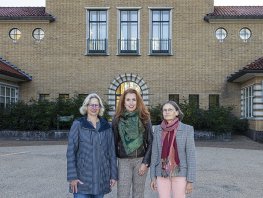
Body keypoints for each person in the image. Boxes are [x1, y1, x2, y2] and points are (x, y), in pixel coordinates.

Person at [66, 93, 118, 198]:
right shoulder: (78, 124)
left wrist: (113, 175)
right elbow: (71, 152)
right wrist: (72, 177)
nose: (94, 108)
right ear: (86, 107)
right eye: (91, 105)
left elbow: (111, 153)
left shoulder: (106, 126)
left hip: (101, 179)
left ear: (100, 107)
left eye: (96, 105)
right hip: (82, 180)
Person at [112, 88, 153, 198]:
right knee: (122, 193)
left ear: (138, 101)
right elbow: (113, 143)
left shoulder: (145, 118)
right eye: (128, 100)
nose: (131, 103)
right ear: (123, 102)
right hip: (123, 161)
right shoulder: (117, 119)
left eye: (134, 100)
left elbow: (151, 141)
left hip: (140, 160)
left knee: (138, 194)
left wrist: (146, 162)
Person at [150, 101, 196, 198]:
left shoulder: (187, 129)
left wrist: (190, 180)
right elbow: (154, 154)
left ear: (177, 112)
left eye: (170, 110)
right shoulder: (157, 129)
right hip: (161, 172)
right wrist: (153, 177)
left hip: (180, 172)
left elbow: (191, 156)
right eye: (164, 110)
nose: (167, 112)